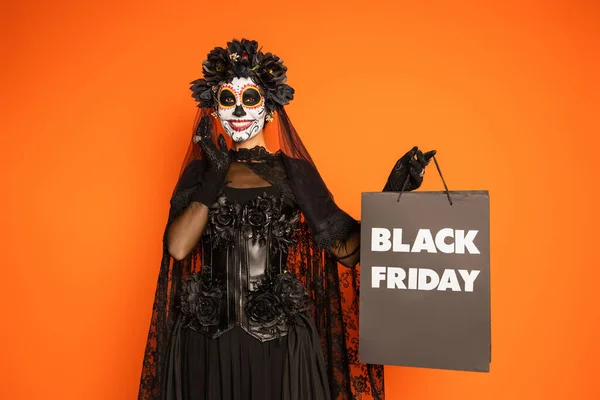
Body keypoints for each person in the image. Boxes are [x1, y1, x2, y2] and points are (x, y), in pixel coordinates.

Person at [137, 38, 435, 400]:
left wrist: (393, 194)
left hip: (279, 345)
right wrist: (214, 175)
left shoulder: (294, 173)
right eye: (227, 100)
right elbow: (179, 248)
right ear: (214, 108)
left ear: (270, 109)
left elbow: (348, 251)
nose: (238, 110)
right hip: (205, 343)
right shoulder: (201, 174)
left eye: (249, 99)